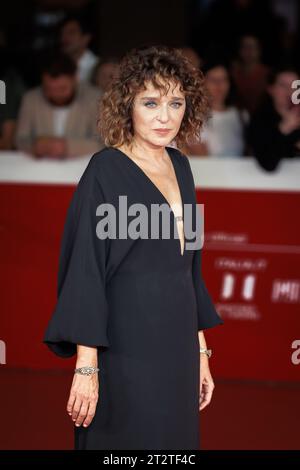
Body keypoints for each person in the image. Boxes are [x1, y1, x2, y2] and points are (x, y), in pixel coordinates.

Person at [43, 45, 224, 450]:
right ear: (129, 105)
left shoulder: (181, 166)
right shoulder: (105, 171)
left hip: (177, 346)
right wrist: (86, 367)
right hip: (124, 347)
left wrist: (201, 352)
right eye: (151, 102)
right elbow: (85, 272)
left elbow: (189, 268)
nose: (165, 116)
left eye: (176, 102)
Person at [15, 52, 103, 159]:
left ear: (75, 79)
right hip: (39, 169)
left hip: (81, 169)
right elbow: (20, 139)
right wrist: (34, 146)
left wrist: (67, 147)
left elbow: (103, 142)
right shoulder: (31, 99)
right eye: (48, 89)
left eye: (62, 89)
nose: (55, 95)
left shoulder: (95, 98)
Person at [184, 61, 248, 157]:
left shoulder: (241, 115)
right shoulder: (195, 118)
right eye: (213, 80)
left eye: (223, 79)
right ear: (202, 83)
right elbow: (201, 157)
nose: (219, 85)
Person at [247, 66, 300, 172]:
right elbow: (268, 164)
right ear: (271, 89)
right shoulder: (260, 120)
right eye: (283, 85)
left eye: (296, 85)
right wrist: (283, 129)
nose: (290, 91)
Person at [60, 13, 98, 83]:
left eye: (71, 33)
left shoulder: (96, 66)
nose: (64, 38)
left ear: (86, 38)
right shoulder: (58, 65)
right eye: (62, 33)